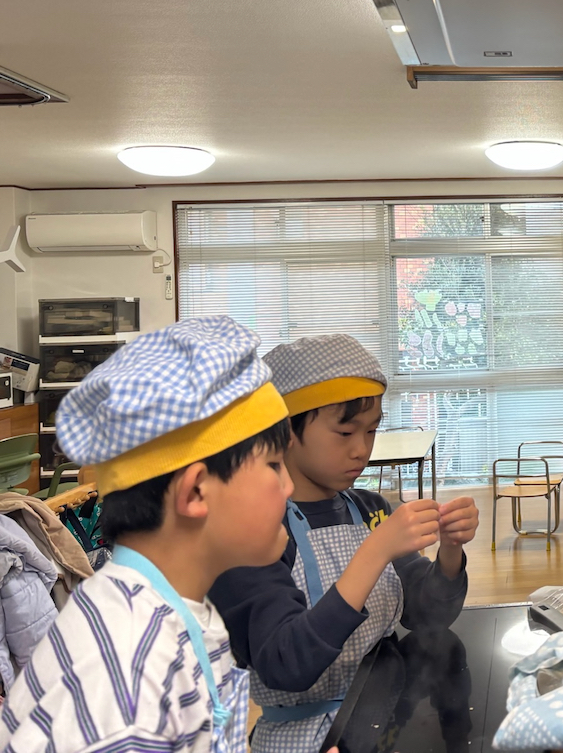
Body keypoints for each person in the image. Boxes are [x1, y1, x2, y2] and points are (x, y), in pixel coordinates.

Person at [0, 316, 294, 753]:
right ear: (196, 492)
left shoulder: (170, 608)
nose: (289, 487)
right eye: (274, 466)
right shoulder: (127, 678)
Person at [209, 334, 479, 753]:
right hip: (304, 740)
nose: (362, 449)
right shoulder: (255, 533)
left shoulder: (370, 509)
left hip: (381, 724)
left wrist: (449, 550)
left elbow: (427, 616)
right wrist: (375, 551)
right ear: (284, 430)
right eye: (345, 432)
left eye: (371, 430)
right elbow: (287, 664)